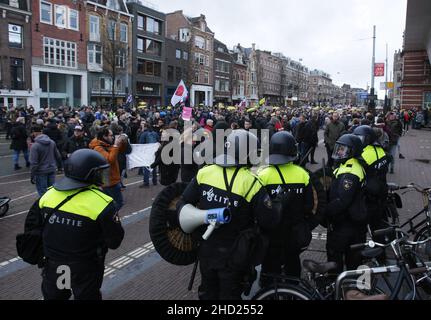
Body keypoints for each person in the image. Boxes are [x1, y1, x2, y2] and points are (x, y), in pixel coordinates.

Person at [177, 130, 281, 300]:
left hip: (206, 250)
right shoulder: (251, 182)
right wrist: (276, 203)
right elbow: (268, 221)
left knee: (208, 293)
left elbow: (183, 202)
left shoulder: (205, 172)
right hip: (235, 254)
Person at [23, 149, 124, 300]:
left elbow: (31, 226)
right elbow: (114, 242)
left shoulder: (48, 196)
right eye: (99, 172)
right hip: (85, 268)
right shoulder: (102, 203)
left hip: (54, 266)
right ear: (89, 174)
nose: (103, 176)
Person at [258, 132, 316, 282]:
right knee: (293, 265)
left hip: (271, 233)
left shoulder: (262, 175)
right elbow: (309, 205)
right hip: (294, 232)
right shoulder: (302, 174)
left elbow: (258, 208)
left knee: (270, 268)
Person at [325, 134, 367, 274]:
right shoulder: (349, 165)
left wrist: (324, 211)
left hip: (346, 225)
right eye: (339, 149)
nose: (339, 152)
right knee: (352, 261)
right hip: (352, 223)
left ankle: (336, 289)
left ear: (352, 151)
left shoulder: (350, 173)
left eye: (343, 149)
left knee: (336, 259)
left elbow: (342, 201)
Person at [353, 125, 389, 240]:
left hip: (369, 196)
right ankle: (382, 250)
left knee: (362, 226)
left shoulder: (364, 154)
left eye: (361, 138)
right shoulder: (380, 150)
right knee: (379, 224)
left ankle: (366, 251)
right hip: (382, 191)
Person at [89, 127, 126, 210]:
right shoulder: (98, 148)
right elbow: (110, 161)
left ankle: (109, 218)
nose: (112, 137)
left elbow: (123, 150)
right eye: (110, 135)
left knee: (110, 202)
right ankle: (110, 218)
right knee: (118, 202)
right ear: (104, 137)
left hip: (110, 179)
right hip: (109, 180)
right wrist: (116, 145)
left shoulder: (106, 144)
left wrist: (123, 141)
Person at [29, 125, 62, 197]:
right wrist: (60, 167)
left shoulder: (35, 146)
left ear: (34, 133)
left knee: (42, 192)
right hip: (51, 168)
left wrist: (32, 175)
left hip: (41, 171)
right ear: (41, 132)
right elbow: (58, 156)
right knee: (52, 190)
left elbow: (34, 163)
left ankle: (45, 207)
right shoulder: (52, 142)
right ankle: (52, 205)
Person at [138, 123, 159, 188]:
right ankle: (155, 181)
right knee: (154, 166)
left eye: (143, 126)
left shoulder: (143, 134)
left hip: (147, 152)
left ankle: (146, 183)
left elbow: (140, 144)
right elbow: (158, 141)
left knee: (146, 167)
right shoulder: (155, 133)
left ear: (145, 127)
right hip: (154, 152)